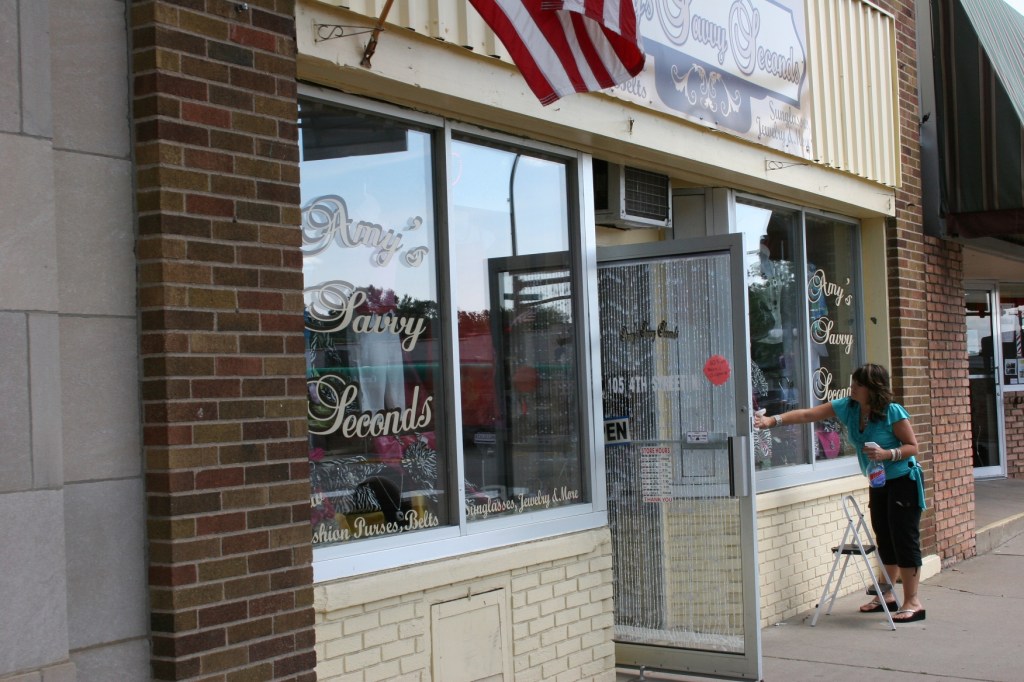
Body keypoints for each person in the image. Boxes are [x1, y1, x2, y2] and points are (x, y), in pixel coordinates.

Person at [753, 363, 927, 623]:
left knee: (904, 538)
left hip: (904, 480)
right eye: (852, 382)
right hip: (879, 482)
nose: (852, 387)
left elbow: (913, 447)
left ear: (872, 388)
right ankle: (886, 596)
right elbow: (808, 415)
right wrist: (771, 421)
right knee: (884, 537)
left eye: (858, 384)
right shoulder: (849, 407)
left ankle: (913, 602)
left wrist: (887, 454)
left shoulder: (892, 412)